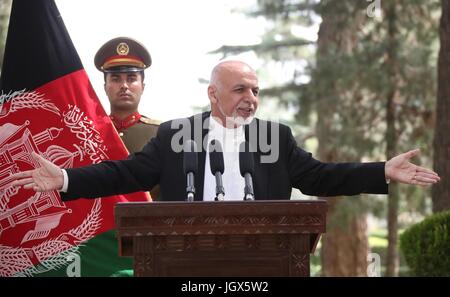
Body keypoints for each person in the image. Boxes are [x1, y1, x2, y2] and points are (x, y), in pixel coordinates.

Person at [10, 61, 440, 202]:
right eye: (240, 90)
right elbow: (125, 174)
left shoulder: (278, 137)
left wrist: (382, 170)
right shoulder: (176, 135)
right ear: (214, 95)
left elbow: (320, 177)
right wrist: (65, 178)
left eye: (256, 90)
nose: (251, 97)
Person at [95, 36, 160, 199]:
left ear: (142, 87)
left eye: (131, 79)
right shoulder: (88, 133)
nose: (124, 85)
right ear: (105, 87)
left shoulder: (160, 134)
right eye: (116, 79)